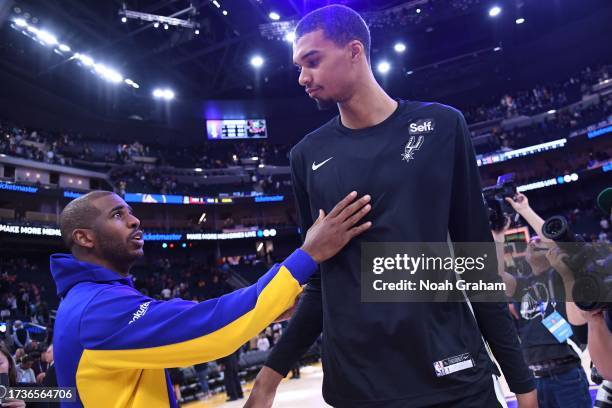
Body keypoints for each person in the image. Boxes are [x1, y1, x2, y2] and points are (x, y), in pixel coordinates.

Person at [247, 5, 536, 408]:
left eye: (312, 61)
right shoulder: (306, 156)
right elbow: (321, 283)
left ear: (355, 51)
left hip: (454, 378)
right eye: (298, 65)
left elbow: (477, 263)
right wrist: (269, 377)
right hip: (361, 389)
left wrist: (522, 384)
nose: (302, 77)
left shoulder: (443, 126)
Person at [51, 189, 371, 407]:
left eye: (131, 212)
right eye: (117, 215)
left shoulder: (93, 299)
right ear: (84, 237)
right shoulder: (96, 309)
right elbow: (210, 328)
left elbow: (184, 315)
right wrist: (307, 255)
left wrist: (269, 312)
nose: (135, 220)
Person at [494, 193, 591, 408]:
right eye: (531, 241)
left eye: (540, 241)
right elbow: (496, 274)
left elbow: (558, 241)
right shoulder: (521, 285)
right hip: (534, 379)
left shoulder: (559, 274)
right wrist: (499, 237)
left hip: (567, 374)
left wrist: (525, 211)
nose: (534, 241)